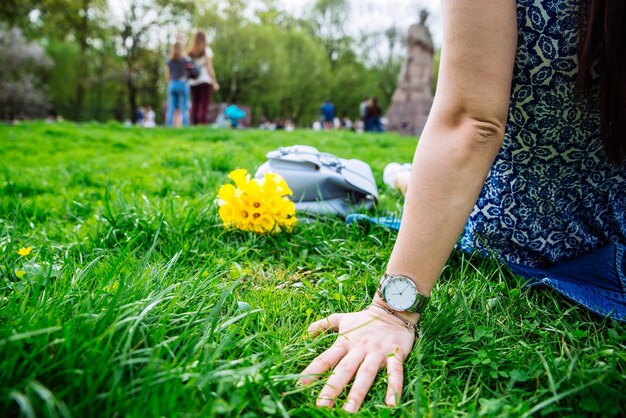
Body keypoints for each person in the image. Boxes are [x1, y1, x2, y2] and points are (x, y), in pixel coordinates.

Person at [299, 0, 626, 413]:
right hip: (616, 229)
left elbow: (473, 121)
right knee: (412, 179)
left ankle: (403, 176)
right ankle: (404, 176)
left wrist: (390, 312)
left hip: (507, 221)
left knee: (417, 181)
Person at [188, 31, 220, 125]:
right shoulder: (207, 50)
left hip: (193, 81)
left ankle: (194, 124)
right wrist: (214, 82)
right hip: (205, 80)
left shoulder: (190, 52)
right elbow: (210, 68)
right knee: (204, 104)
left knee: (195, 104)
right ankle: (201, 123)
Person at [165, 41, 190, 127]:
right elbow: (189, 71)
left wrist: (169, 83)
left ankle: (168, 126)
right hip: (182, 83)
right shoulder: (184, 59)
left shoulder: (170, 60)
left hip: (172, 84)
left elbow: (167, 75)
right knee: (184, 108)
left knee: (171, 108)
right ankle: (185, 127)